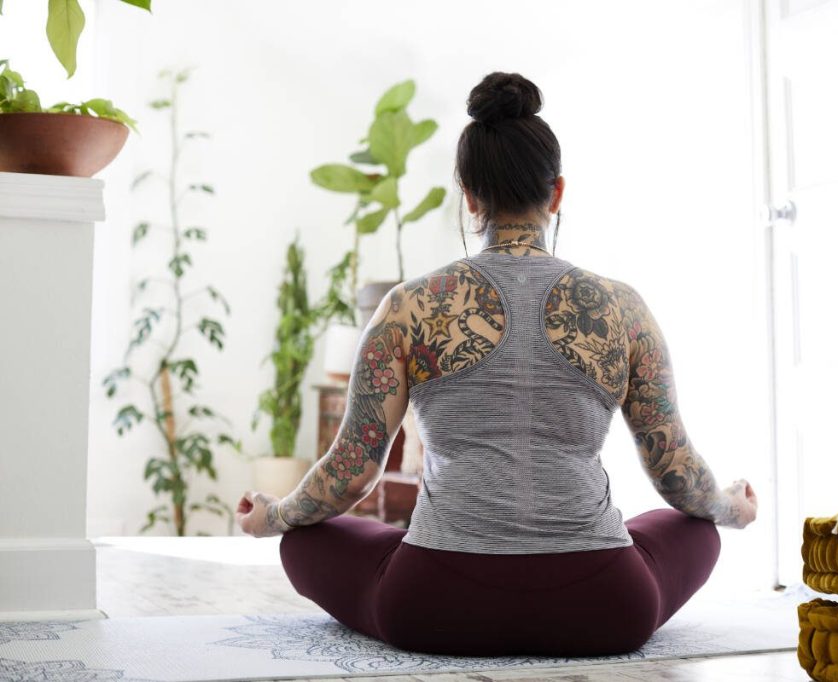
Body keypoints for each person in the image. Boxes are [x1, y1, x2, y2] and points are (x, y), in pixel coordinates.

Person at [235, 71, 758, 657]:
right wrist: (729, 507)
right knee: (696, 529)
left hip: (433, 605)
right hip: (606, 606)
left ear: (469, 197)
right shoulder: (623, 308)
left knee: (305, 540)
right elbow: (674, 470)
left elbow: (352, 472)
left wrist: (275, 516)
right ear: (557, 193)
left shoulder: (408, 306)